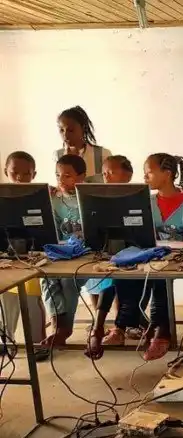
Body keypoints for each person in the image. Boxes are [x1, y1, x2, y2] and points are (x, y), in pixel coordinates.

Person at [104, 153, 183, 361]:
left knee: (159, 278)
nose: (145, 177)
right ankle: (122, 326)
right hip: (149, 254)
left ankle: (161, 332)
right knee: (125, 274)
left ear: (167, 173)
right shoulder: (146, 201)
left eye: (149, 172)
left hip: (177, 257)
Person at [86, 156, 148, 358]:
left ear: (128, 175)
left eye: (111, 172)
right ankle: (104, 328)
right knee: (111, 277)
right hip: (110, 251)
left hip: (138, 252)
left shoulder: (140, 197)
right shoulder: (96, 199)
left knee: (123, 279)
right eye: (104, 173)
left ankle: (112, 328)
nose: (106, 176)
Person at [1, 152, 48, 359]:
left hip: (33, 254)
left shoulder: (40, 197)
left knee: (30, 295)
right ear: (6, 172)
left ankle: (38, 343)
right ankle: (6, 340)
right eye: (14, 172)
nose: (20, 178)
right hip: (5, 256)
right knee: (6, 294)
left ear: (34, 174)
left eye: (26, 173)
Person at [40, 154, 87, 349]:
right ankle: (58, 323)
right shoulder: (53, 199)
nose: (61, 179)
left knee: (68, 280)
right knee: (47, 277)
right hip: (60, 251)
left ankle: (64, 328)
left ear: (81, 177)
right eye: (58, 175)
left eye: (67, 175)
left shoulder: (89, 197)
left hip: (86, 252)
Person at [54, 106, 112, 182]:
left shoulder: (103, 154)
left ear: (83, 128)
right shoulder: (58, 155)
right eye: (61, 130)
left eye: (71, 130)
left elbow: (111, 184)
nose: (65, 135)